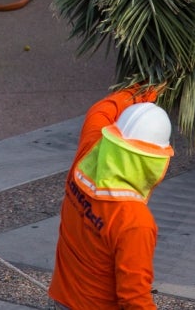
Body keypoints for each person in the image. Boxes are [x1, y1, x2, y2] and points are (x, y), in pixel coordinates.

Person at [49, 87, 174, 310]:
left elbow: (100, 111)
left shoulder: (88, 153)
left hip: (60, 299)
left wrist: (141, 89)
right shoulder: (135, 222)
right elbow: (134, 300)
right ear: (155, 162)